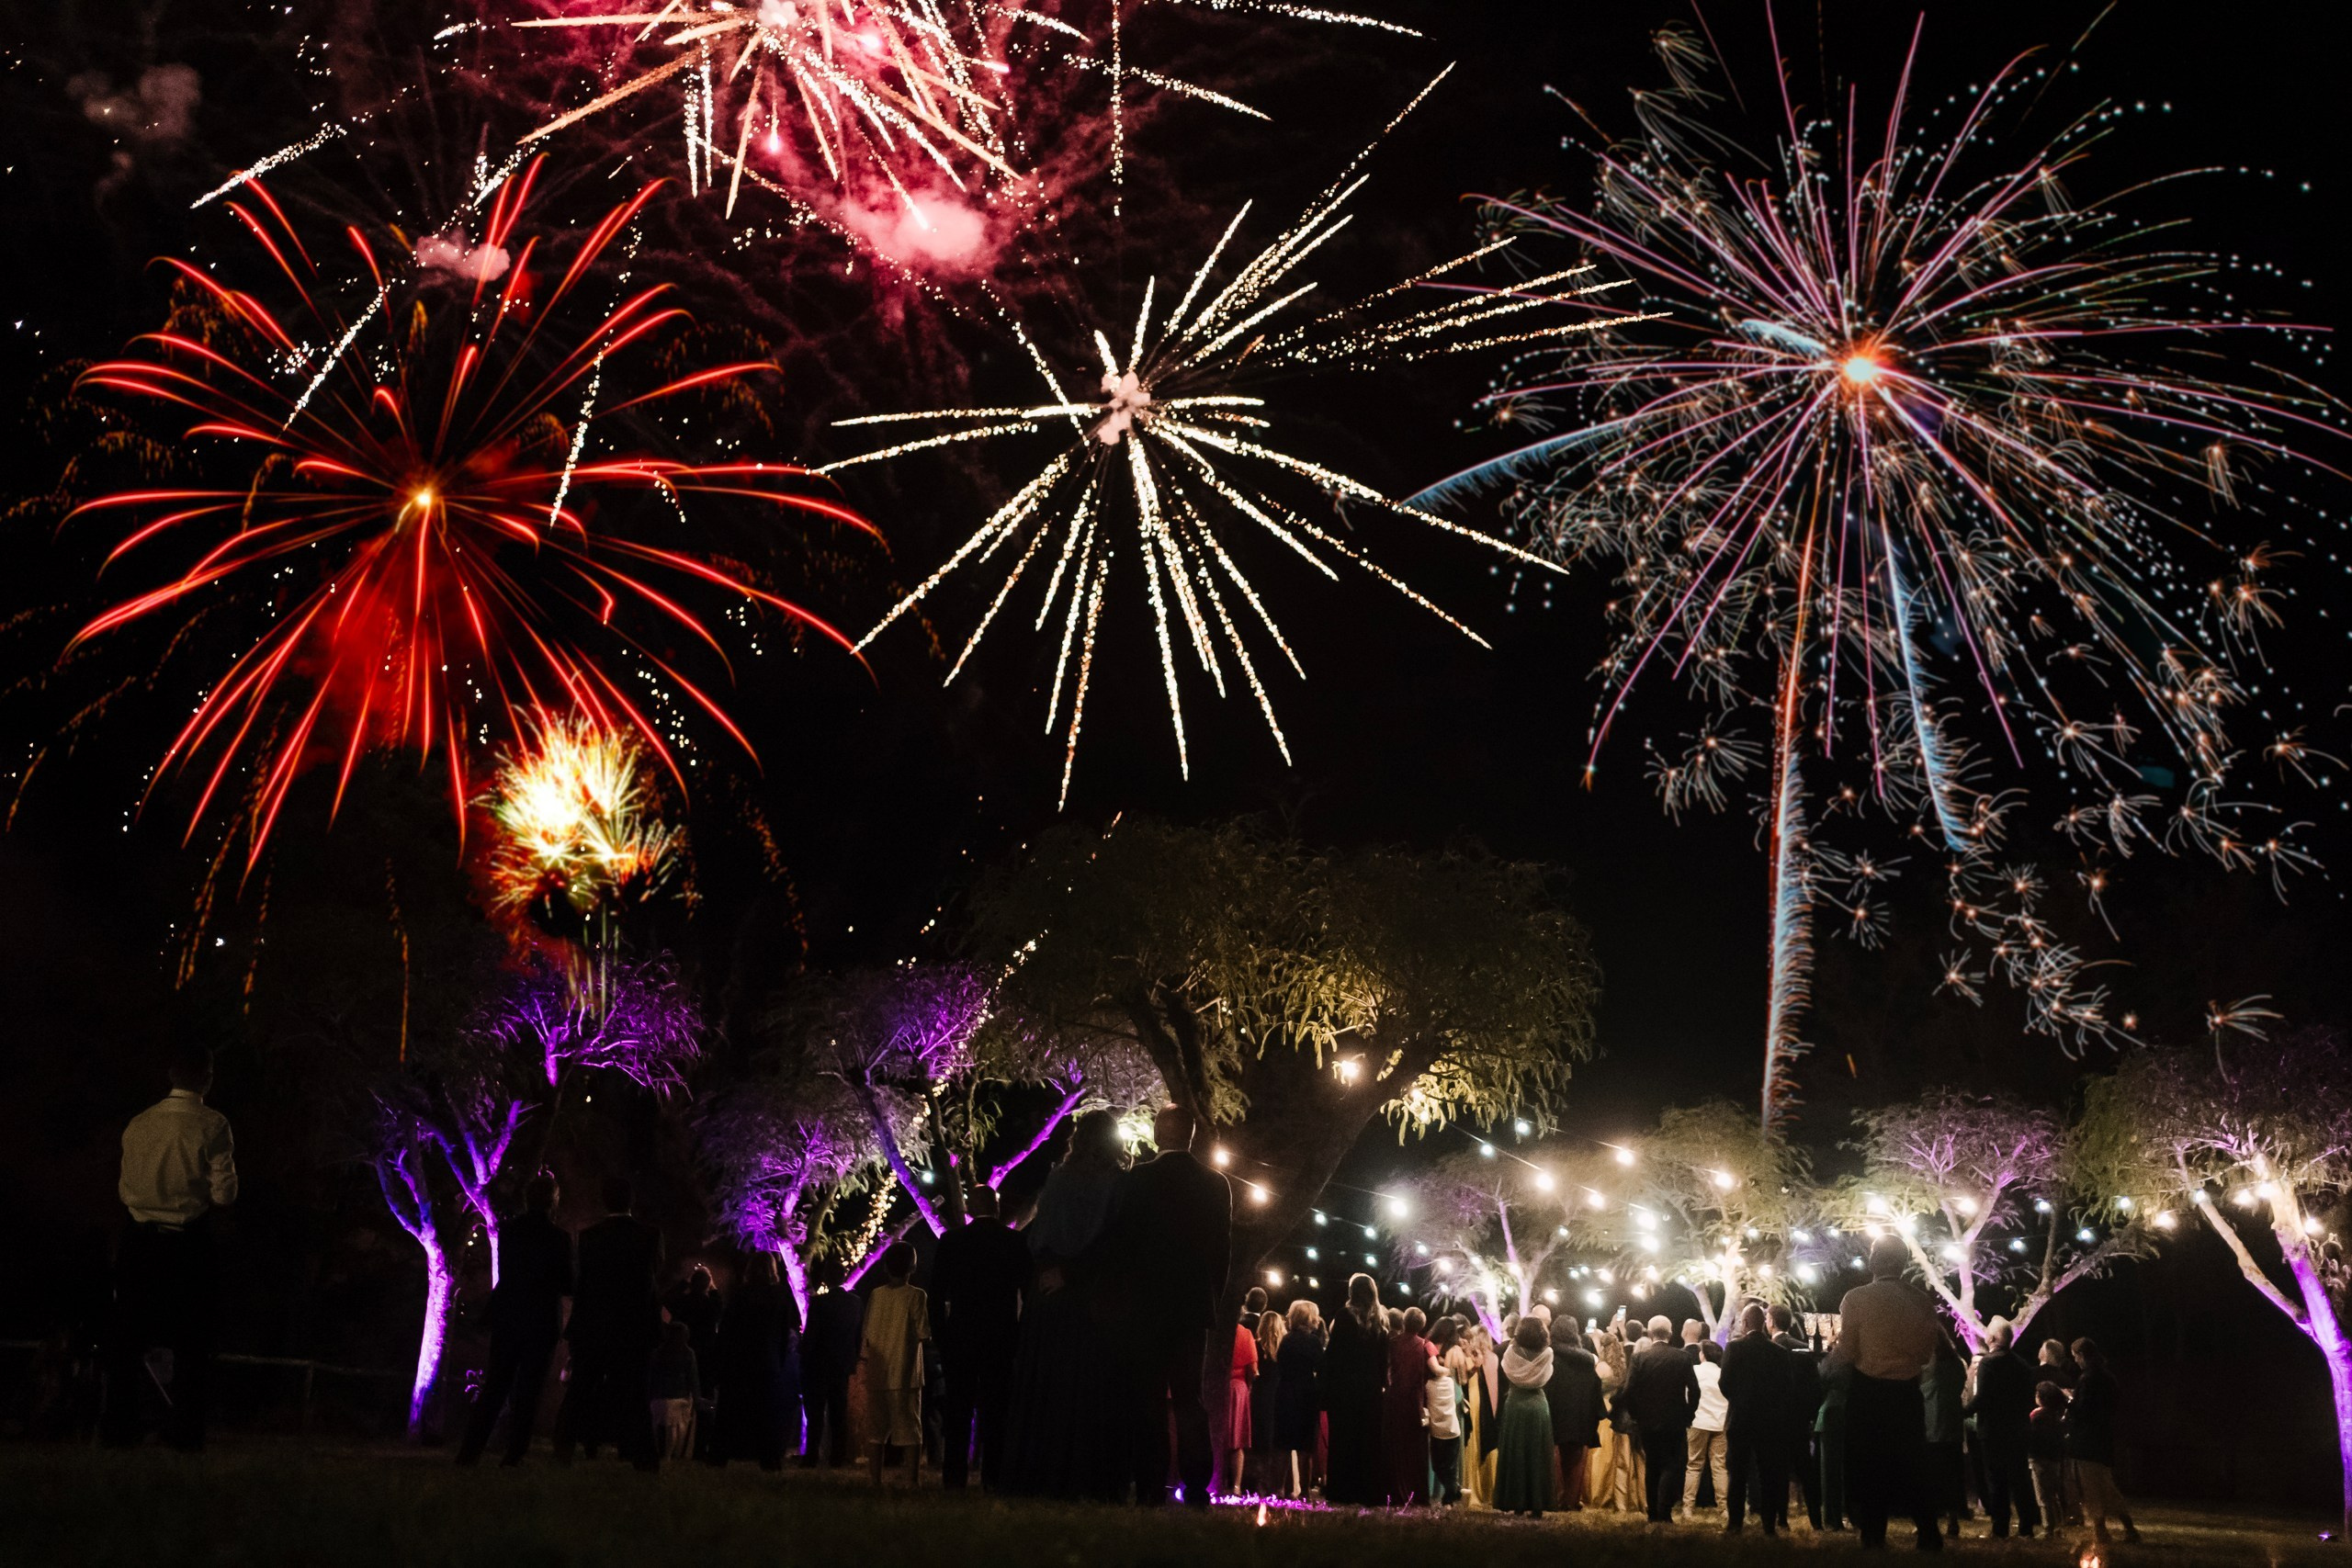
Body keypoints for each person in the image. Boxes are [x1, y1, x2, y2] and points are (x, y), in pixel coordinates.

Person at [104, 1042, 237, 1451]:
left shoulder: (138, 1123)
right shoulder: (212, 1125)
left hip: (138, 1240)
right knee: (192, 1344)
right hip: (186, 1243)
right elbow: (225, 1195)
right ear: (208, 1078)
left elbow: (126, 1186)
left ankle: (118, 1429)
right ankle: (184, 1433)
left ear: (171, 1076)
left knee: (126, 1342)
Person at [1096, 1104, 1231, 1507]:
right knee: (1190, 1399)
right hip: (1191, 1309)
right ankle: (1195, 1485)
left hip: (1145, 1308)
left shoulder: (1137, 1180)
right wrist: (1212, 1298)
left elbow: (1120, 1245)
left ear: (1158, 1133)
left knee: (1149, 1398)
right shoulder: (1215, 1184)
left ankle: (1151, 1485)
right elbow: (1221, 1252)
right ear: (1190, 1135)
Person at [1002, 1109, 1125, 1498]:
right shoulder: (1117, 1184)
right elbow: (1113, 1243)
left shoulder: (1057, 1179)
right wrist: (1074, 1273)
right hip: (1089, 1297)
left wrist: (1049, 1273)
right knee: (1084, 1391)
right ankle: (1080, 1478)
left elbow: (1039, 1235)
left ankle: (1037, 1473)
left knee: (1047, 1387)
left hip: (1048, 1292)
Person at [1829, 1235, 1944, 1551]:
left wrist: (1824, 1370)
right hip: (1907, 1392)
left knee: (1868, 1465)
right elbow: (1925, 1355)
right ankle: (1928, 1533)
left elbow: (1848, 1350)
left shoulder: (1856, 1298)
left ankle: (1873, 1535)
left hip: (1869, 1391)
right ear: (1904, 1262)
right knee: (1913, 1464)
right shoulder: (1922, 1301)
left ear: (1875, 1259)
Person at [456, 1171, 571, 1466]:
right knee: (529, 1391)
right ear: (553, 1201)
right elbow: (568, 1283)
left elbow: (509, 1275)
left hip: (510, 1315)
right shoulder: (559, 1238)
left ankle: (470, 1453)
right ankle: (514, 1455)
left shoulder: (509, 1231)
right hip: (542, 1319)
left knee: (496, 1385)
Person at [555, 1177, 664, 1469]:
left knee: (580, 1388)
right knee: (636, 1393)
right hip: (633, 1327)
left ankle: (563, 1447)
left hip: (594, 1325)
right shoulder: (650, 1235)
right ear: (632, 1200)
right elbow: (654, 1278)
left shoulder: (590, 1236)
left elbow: (585, 1281)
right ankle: (643, 1456)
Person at [930, 1184, 1031, 1491]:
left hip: (960, 1337)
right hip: (1000, 1337)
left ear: (970, 1209)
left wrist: (941, 1337)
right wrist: (1020, 1333)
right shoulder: (1013, 1242)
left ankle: (954, 1478)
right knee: (995, 1412)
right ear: (997, 1207)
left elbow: (935, 1296)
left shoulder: (952, 1242)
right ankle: (993, 1477)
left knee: (957, 1410)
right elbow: (1028, 1293)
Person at [713, 1251, 797, 1469]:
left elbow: (727, 1328)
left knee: (731, 1409)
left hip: (739, 1360)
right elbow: (783, 1332)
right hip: (766, 1360)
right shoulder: (779, 1296)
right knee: (766, 1412)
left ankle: (720, 1455)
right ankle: (769, 1458)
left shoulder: (741, 1294)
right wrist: (779, 1361)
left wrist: (724, 1358)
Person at [861, 1241, 931, 1486]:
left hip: (878, 1372)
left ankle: (874, 1480)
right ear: (912, 1266)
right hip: (905, 1373)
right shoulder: (917, 1295)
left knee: (876, 1431)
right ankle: (911, 1482)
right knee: (911, 1430)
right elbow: (923, 1332)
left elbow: (867, 1333)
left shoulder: (876, 1295)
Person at [1964, 1318, 2040, 1539]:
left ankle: (2000, 1527)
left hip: (1993, 1429)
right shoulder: (2023, 1366)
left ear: (1992, 1338)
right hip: (2018, 1429)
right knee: (2020, 1478)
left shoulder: (1989, 1363)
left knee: (1997, 1479)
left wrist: (1963, 1411)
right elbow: (2028, 1399)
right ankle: (2026, 1526)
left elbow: (1984, 1397)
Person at [1720, 1304, 1792, 1536]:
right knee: (1768, 1474)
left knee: (1737, 1474)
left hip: (1740, 1418)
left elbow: (1724, 1383)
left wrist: (1738, 1400)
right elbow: (1786, 1386)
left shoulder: (1734, 1347)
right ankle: (1769, 1525)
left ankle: (1735, 1524)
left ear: (1744, 1323)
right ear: (1764, 1323)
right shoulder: (1778, 1352)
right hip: (1769, 1421)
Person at [1623, 1314, 1702, 1524]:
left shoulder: (1640, 1358)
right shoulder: (1682, 1357)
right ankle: (1664, 1511)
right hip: (1674, 1420)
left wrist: (1636, 1414)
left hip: (1647, 1421)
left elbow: (1629, 1390)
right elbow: (1694, 1390)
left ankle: (1652, 1513)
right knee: (1672, 1465)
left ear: (1649, 1332)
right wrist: (1688, 1413)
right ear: (1670, 1333)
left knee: (1652, 1465)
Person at [1321, 1273, 1391, 1505]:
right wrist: (1381, 1384)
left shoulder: (1344, 1317)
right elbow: (1383, 1361)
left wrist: (1327, 1385)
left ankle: (1342, 1490)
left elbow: (1334, 1356)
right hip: (1371, 1390)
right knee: (1368, 1440)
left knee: (1343, 1439)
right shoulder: (1381, 1322)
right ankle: (1369, 1491)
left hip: (1345, 1388)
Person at [2066, 1338, 2139, 1546]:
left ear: (2082, 1355)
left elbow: (2083, 1411)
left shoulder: (2088, 1378)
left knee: (2091, 1487)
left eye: (2076, 1357)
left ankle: (2100, 1530)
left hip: (2087, 1442)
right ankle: (2128, 1527)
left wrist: (2067, 1401)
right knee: (2107, 1485)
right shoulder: (2108, 1377)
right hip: (2104, 1439)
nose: (2076, 1362)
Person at [799, 1258, 864, 1469]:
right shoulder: (855, 1303)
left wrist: (803, 1358)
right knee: (839, 1412)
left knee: (816, 1412)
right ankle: (837, 1456)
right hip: (842, 1363)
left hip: (819, 1364)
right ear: (844, 1276)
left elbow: (811, 1336)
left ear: (826, 1277)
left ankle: (811, 1456)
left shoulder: (818, 1303)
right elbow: (857, 1335)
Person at [1491, 1315, 1556, 1516]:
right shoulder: (1547, 1354)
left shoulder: (1511, 1352)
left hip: (1516, 1404)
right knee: (1538, 1453)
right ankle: (1537, 1504)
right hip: (1538, 1406)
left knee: (1516, 1452)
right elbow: (1546, 1376)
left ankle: (1516, 1502)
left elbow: (1506, 1371)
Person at [1770, 1304, 1825, 1529]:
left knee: (1778, 1470)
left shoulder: (1770, 1350)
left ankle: (1781, 1518)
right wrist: (1809, 1414)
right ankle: (1816, 1521)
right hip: (1799, 1419)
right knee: (1806, 1471)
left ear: (1771, 1321)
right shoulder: (1803, 1350)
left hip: (1775, 1419)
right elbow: (1815, 1387)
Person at [662, 1265, 724, 1459]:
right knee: (704, 1403)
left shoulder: (682, 1302)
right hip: (706, 1358)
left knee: (679, 1399)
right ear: (707, 1285)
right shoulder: (712, 1305)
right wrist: (712, 1285)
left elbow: (666, 1298)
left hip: (680, 1355)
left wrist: (685, 1282)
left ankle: (677, 1446)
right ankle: (699, 1448)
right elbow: (718, 1302)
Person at [1544, 1310, 1603, 1511]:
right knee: (1577, 1456)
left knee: (1555, 1454)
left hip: (1555, 1411)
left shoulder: (1550, 1356)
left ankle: (1555, 1499)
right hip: (1580, 1414)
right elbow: (1596, 1388)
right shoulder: (1587, 1361)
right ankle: (1571, 1500)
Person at [1382, 1304, 1436, 1506]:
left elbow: (1386, 1369)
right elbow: (1432, 1372)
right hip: (1415, 1400)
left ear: (1404, 1322)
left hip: (1395, 1399)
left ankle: (1393, 1490)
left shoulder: (1393, 1343)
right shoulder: (1424, 1345)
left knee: (1395, 1446)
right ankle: (1416, 1492)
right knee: (1414, 1449)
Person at [1273, 1298, 1325, 1498]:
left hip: (1286, 1391)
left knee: (1284, 1444)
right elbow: (1321, 1369)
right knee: (1305, 1447)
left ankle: (1280, 1488)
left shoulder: (1286, 1340)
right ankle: (1304, 1491)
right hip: (1307, 1395)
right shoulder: (1313, 1342)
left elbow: (1281, 1365)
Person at [1217, 1286, 1264, 1496]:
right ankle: (1236, 1486)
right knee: (1238, 1442)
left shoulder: (1217, 1333)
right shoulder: (1245, 1334)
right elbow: (1253, 1370)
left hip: (1218, 1387)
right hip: (1239, 1388)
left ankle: (1216, 1482)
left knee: (1218, 1438)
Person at [1924, 1334, 1968, 1538]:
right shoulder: (1957, 1366)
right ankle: (1952, 1519)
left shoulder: (1933, 1369)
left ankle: (1930, 1520)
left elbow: (1925, 1391)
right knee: (1952, 1476)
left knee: (1931, 1477)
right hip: (1953, 1428)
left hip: (1933, 1428)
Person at [1682, 1338, 1730, 1520]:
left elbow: (1688, 1394)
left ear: (1702, 1355)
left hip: (1698, 1422)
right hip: (1720, 1422)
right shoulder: (1723, 1373)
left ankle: (1688, 1508)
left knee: (1694, 1466)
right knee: (1719, 1467)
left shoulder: (1694, 1371)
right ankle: (1724, 1508)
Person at [1589, 1327, 1634, 1510]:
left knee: (1601, 1459)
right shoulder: (1622, 1368)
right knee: (1616, 1460)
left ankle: (1598, 1494)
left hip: (1603, 1414)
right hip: (1617, 1414)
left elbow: (1593, 1391)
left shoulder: (1601, 1367)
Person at [1459, 1322, 1501, 1508]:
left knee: (1473, 1443)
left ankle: (1471, 1486)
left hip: (1475, 1402)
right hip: (1491, 1408)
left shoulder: (1474, 1357)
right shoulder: (1493, 1357)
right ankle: (1489, 1487)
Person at [650, 1321, 700, 1460]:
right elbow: (693, 1379)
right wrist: (697, 1399)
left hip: (657, 1398)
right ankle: (681, 1451)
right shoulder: (688, 1354)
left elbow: (650, 1378)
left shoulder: (657, 1353)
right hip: (680, 1398)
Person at [1426, 1316, 1463, 1504]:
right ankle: (1452, 1490)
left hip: (1437, 1412)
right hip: (1450, 1411)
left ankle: (1448, 1491)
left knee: (1439, 1460)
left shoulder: (1429, 1346)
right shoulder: (1453, 1350)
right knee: (1450, 1462)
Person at [1250, 1305, 1287, 1495]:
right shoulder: (1284, 1348)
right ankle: (1275, 1484)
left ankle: (1257, 1481)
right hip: (1278, 1395)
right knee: (1276, 1440)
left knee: (1258, 1439)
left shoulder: (1256, 1345)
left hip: (1259, 1395)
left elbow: (1253, 1373)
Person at [2028, 1382, 2071, 1534]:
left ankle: (2048, 1527)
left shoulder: (2036, 1415)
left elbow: (2031, 1436)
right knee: (2055, 1494)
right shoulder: (2057, 1416)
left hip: (2038, 1458)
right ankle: (2060, 1525)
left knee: (2043, 1496)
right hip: (2054, 1459)